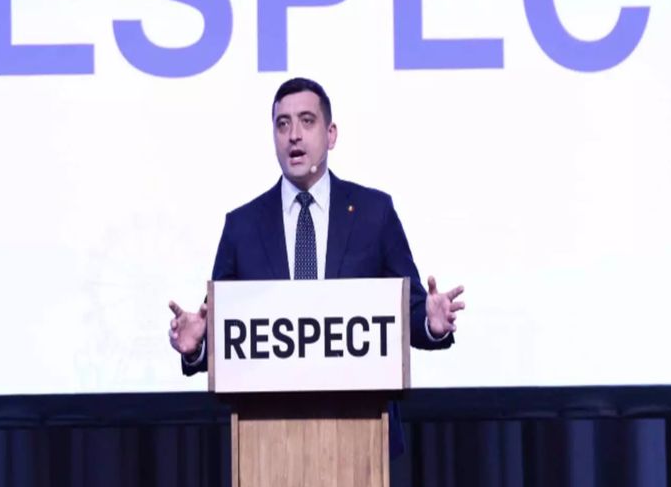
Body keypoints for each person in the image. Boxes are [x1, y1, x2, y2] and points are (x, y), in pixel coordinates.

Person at [168, 76, 463, 376]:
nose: (294, 135)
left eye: (307, 121)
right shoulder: (242, 226)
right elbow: (220, 328)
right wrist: (197, 345)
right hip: (271, 402)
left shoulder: (374, 214)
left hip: (357, 400)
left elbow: (409, 310)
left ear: (331, 135)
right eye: (282, 125)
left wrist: (431, 323)